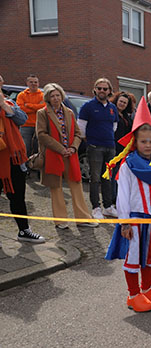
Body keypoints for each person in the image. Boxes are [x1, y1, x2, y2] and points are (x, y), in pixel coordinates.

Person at [105, 97, 151, 312]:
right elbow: (123, 195)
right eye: (143, 141)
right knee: (133, 256)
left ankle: (147, 288)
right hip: (135, 219)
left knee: (150, 255)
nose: (148, 145)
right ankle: (133, 294)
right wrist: (124, 222)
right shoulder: (127, 165)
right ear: (135, 142)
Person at [36, 83, 97, 229]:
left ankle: (83, 218)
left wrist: (73, 147)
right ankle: (61, 221)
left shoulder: (69, 112)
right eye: (52, 96)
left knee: (76, 184)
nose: (56, 98)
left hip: (70, 154)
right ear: (48, 98)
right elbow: (41, 134)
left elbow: (77, 133)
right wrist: (60, 148)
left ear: (62, 96)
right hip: (53, 154)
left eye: (58, 95)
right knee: (55, 187)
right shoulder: (42, 113)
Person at [0, 74, 45, 243]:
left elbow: (23, 118)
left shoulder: (9, 104)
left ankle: (24, 230)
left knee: (17, 197)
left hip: (13, 159)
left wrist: (3, 105)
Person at [78, 78, 119, 219]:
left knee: (107, 178)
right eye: (99, 88)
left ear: (109, 91)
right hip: (94, 147)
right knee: (95, 179)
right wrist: (91, 140)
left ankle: (108, 207)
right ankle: (96, 208)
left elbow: (114, 126)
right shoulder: (87, 106)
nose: (102, 91)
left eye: (105, 89)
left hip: (110, 147)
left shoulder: (113, 108)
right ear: (95, 89)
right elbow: (81, 128)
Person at [110, 91, 136, 203]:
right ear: (116, 101)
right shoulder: (111, 112)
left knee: (121, 175)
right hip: (113, 147)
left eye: (125, 103)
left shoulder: (126, 116)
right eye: (121, 101)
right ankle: (113, 199)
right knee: (113, 175)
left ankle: (120, 197)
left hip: (124, 149)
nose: (122, 104)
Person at [16, 74, 44, 157]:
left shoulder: (42, 95)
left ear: (38, 84)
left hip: (39, 126)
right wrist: (37, 106)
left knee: (38, 148)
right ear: (27, 83)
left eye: (35, 82)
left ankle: (35, 166)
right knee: (25, 147)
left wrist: (28, 105)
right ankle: (24, 167)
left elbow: (43, 108)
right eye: (31, 82)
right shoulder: (21, 95)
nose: (33, 84)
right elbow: (21, 109)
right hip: (26, 125)